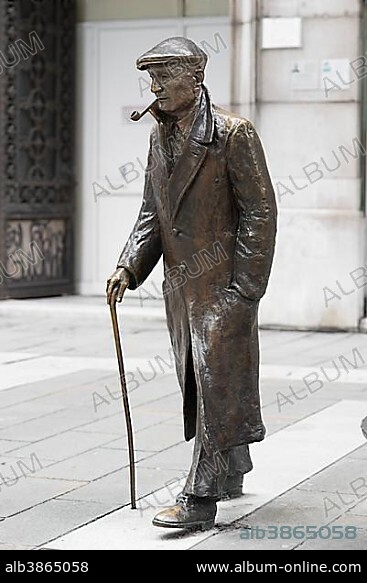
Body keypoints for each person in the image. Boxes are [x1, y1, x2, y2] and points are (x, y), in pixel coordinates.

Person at [106, 37, 277, 530]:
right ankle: (234, 467)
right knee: (203, 381)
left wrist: (247, 288)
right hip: (182, 286)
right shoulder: (159, 137)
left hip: (224, 285)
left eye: (164, 76)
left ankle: (200, 495)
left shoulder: (232, 134)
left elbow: (260, 212)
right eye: (151, 78)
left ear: (195, 78)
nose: (155, 86)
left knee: (213, 380)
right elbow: (152, 213)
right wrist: (129, 266)